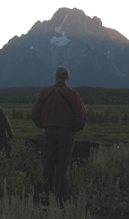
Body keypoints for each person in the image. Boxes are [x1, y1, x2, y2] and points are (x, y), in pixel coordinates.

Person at [31, 66, 87, 205]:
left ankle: (44, 202)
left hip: (49, 133)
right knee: (62, 169)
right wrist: (75, 128)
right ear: (67, 78)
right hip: (67, 134)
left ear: (55, 77)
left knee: (47, 167)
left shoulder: (46, 92)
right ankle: (60, 203)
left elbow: (35, 112)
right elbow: (81, 115)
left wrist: (43, 125)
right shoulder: (72, 94)